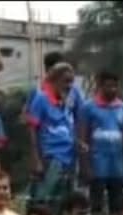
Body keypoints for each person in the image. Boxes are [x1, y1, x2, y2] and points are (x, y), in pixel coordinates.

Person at [79, 70, 123, 214]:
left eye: (115, 86)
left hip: (117, 166)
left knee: (118, 205)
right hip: (97, 166)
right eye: (108, 86)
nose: (112, 90)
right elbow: (82, 138)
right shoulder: (88, 107)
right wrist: (86, 166)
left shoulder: (122, 107)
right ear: (100, 86)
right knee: (96, 205)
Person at [27, 62, 78, 206]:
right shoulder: (41, 99)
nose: (69, 86)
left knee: (63, 203)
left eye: (71, 82)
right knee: (44, 202)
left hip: (68, 160)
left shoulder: (66, 102)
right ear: (54, 80)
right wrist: (36, 159)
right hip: (50, 159)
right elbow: (32, 129)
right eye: (66, 81)